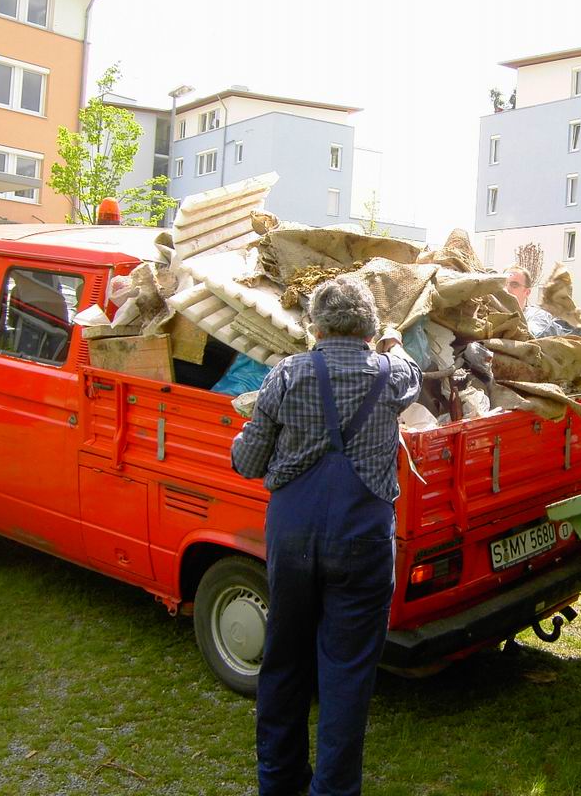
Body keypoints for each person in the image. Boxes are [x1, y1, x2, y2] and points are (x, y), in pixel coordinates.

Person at [231, 279, 422, 796]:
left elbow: (247, 463)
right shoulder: (392, 376)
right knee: (348, 673)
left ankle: (280, 782)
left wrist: (253, 430)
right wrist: (393, 340)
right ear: (369, 328)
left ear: (315, 328)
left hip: (293, 537)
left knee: (283, 661)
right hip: (363, 543)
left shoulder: (285, 375)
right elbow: (410, 369)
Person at [505, 266, 560, 337]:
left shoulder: (537, 315)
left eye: (514, 285)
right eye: (503, 283)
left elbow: (530, 335)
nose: (506, 289)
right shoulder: (492, 311)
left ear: (527, 292)